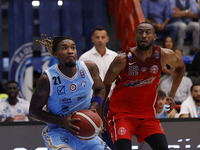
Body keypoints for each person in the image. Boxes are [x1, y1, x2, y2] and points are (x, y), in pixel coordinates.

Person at [98, 22, 185, 150]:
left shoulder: (164, 55)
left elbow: (181, 67)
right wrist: (101, 112)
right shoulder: (122, 59)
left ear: (154, 37)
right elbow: (106, 84)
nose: (144, 35)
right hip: (121, 114)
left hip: (147, 116)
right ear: (136, 36)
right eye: (140, 32)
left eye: (148, 32)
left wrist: (171, 94)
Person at [29, 35, 111, 150]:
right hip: (59, 132)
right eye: (64, 48)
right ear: (56, 54)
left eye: (73, 48)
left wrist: (93, 108)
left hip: (84, 131)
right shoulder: (47, 79)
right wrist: (63, 122)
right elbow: (33, 111)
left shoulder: (89, 68)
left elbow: (100, 89)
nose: (70, 51)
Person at [79, 26, 117, 150]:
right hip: (91, 102)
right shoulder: (84, 58)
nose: (100, 40)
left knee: (110, 135)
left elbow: (118, 80)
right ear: (92, 39)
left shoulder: (115, 56)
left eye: (102, 37)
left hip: (110, 102)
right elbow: (81, 82)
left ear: (107, 39)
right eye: (97, 37)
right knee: (89, 134)